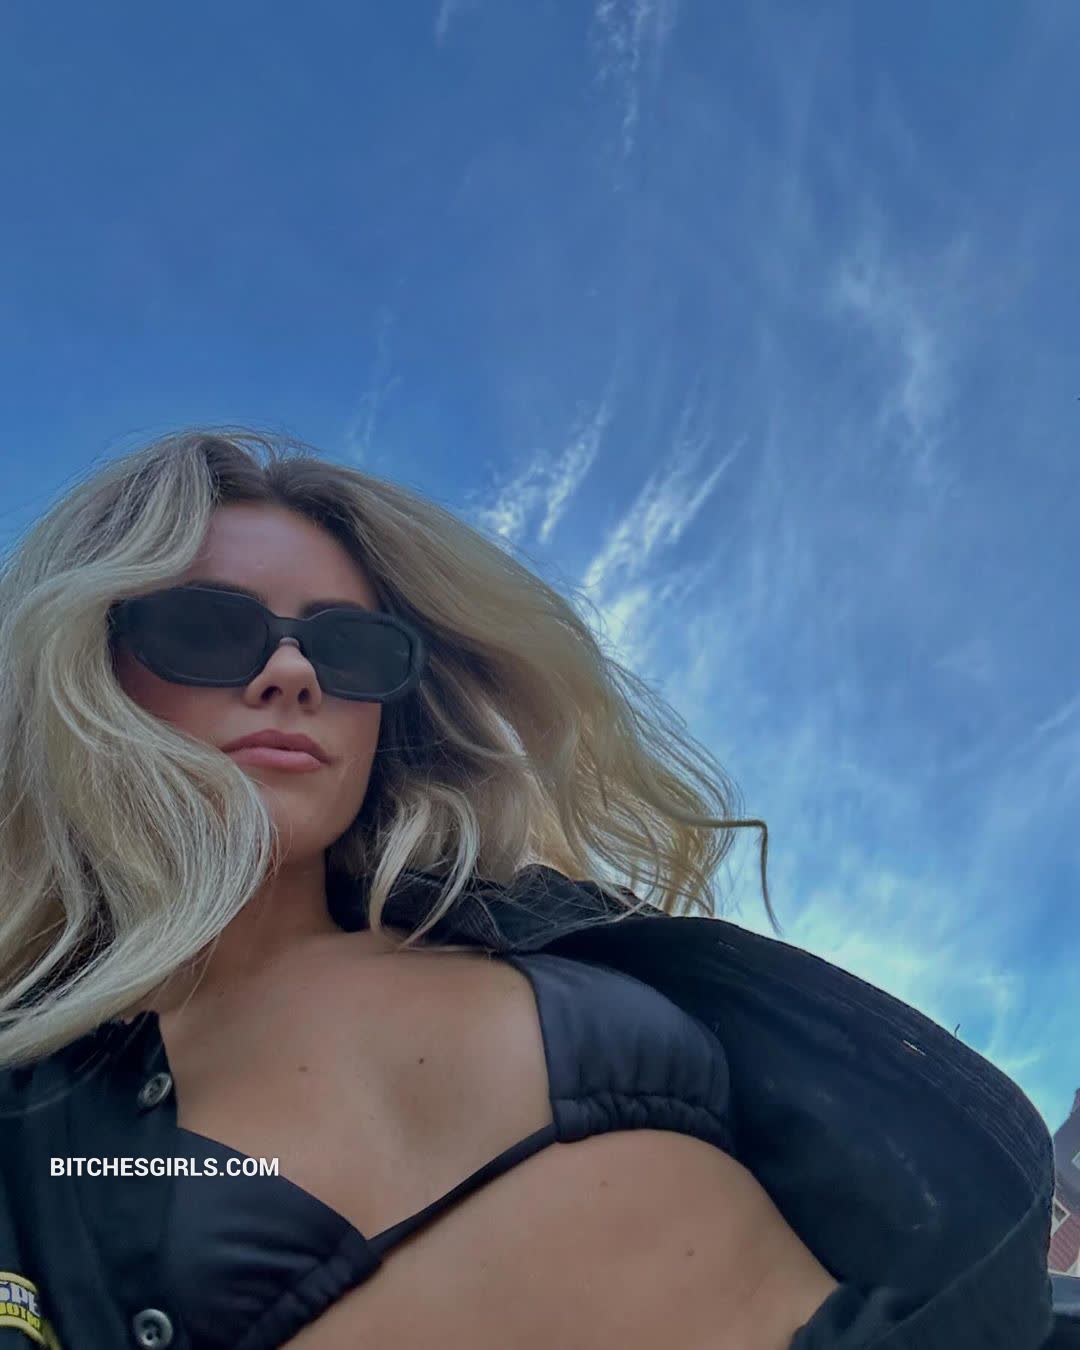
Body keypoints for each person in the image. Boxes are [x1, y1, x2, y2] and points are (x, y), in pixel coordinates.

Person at [0, 428, 1062, 1349]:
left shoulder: (511, 919)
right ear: (88, 665)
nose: (294, 674)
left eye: (349, 646)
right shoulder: (38, 1111)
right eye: (206, 629)